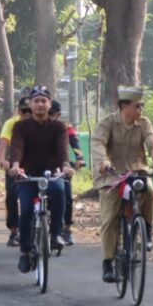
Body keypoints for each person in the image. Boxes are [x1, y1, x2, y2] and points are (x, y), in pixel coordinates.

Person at [90, 85, 153, 283]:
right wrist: (103, 162)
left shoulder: (144, 124)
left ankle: (147, 230)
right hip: (111, 175)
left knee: (149, 191)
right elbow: (97, 143)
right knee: (109, 218)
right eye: (137, 106)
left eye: (142, 106)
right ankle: (108, 262)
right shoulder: (107, 123)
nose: (141, 110)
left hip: (136, 171)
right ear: (124, 106)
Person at [9, 86, 73, 273]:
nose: (39, 105)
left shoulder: (59, 127)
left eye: (43, 101)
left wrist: (66, 166)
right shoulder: (21, 126)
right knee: (27, 208)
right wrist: (15, 166)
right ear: (30, 104)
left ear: (49, 104)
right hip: (27, 175)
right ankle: (25, 250)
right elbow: (17, 147)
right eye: (36, 101)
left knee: (60, 190)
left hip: (51, 174)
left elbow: (63, 149)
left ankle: (55, 234)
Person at [48, 100, 86, 246]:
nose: (48, 116)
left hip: (61, 167)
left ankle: (66, 229)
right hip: (39, 167)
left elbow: (75, 144)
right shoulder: (34, 126)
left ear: (58, 115)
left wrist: (80, 158)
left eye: (52, 113)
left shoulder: (65, 127)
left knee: (67, 197)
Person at [0, 96, 31, 247]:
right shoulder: (11, 124)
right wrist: (3, 160)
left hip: (35, 165)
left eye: (30, 111)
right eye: (24, 111)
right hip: (14, 166)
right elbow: (3, 146)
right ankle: (14, 231)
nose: (27, 114)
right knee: (12, 195)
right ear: (18, 111)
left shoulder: (41, 123)